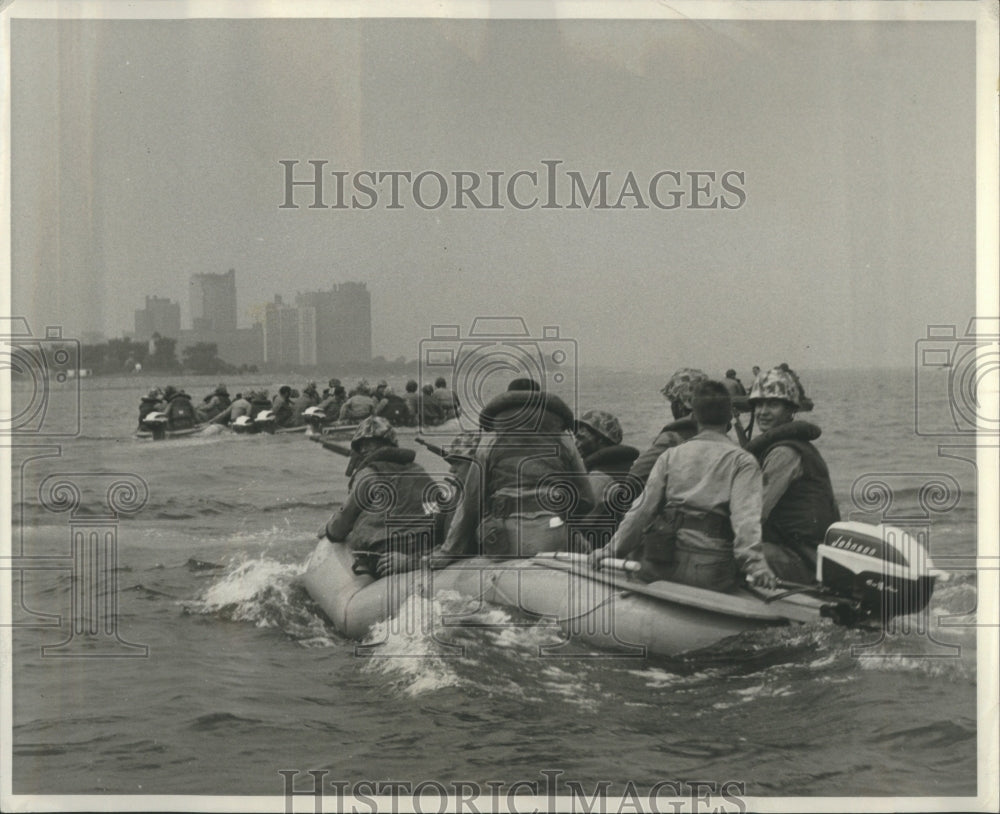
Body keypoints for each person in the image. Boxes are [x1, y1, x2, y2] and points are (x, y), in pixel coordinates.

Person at [590, 381, 777, 592]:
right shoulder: (743, 461)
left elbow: (641, 511)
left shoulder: (671, 456)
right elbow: (746, 520)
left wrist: (609, 551)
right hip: (712, 571)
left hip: (662, 563)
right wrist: (756, 566)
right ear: (729, 418)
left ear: (694, 416)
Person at [430, 382, 594, 562]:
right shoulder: (564, 440)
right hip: (554, 534)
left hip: (505, 540)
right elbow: (587, 498)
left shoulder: (490, 440)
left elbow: (471, 501)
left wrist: (448, 551)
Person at [745, 364, 840, 583]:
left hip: (804, 560)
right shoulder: (797, 446)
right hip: (806, 555)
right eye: (758, 404)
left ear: (790, 410)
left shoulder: (784, 453)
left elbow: (754, 513)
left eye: (773, 404)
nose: (763, 412)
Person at [320, 417, 436, 577]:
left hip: (383, 551)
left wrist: (328, 531)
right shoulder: (418, 470)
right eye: (364, 445)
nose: (365, 449)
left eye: (367, 444)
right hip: (422, 547)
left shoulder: (368, 474)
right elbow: (437, 512)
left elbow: (343, 521)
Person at [572, 410, 641, 549]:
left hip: (599, 550)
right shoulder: (630, 467)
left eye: (581, 438)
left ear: (601, 439)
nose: (576, 443)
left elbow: (578, 522)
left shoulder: (599, 477)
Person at [628, 368, 708, 486]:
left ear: (680, 405)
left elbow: (634, 479)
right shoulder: (721, 438)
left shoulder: (672, 440)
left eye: (673, 402)